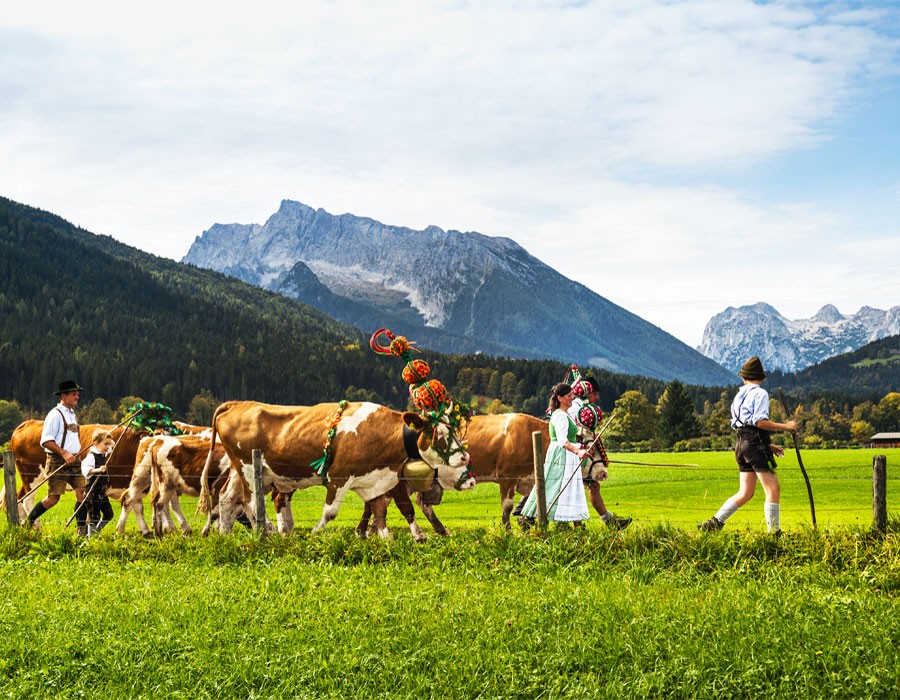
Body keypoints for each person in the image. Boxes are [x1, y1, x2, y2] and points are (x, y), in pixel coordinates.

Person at [698, 356, 797, 535]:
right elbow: (759, 422)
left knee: (745, 492)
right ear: (761, 378)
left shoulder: (738, 396)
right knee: (773, 487)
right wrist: (786, 427)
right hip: (754, 445)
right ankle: (774, 534)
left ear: (744, 377)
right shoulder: (760, 393)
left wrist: (768, 445)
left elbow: (745, 427)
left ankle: (714, 522)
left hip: (741, 445)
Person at [518, 383, 590, 527]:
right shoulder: (560, 416)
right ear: (560, 398)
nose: (572, 398)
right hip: (562, 455)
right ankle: (531, 516)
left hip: (567, 454)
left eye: (572, 395)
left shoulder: (564, 414)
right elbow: (562, 440)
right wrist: (577, 451)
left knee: (565, 488)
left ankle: (567, 523)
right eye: (569, 396)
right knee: (555, 486)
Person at [27, 380, 89, 534]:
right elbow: (46, 440)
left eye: (77, 393)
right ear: (63, 396)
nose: (77, 396)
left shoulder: (72, 415)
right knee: (53, 499)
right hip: (58, 461)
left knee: (82, 492)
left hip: (75, 461)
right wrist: (64, 453)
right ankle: (29, 522)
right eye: (74, 394)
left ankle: (81, 531)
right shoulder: (55, 415)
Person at [571, 376, 632, 530]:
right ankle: (581, 524)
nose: (596, 397)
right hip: (574, 455)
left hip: (581, 454)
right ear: (588, 391)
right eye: (595, 393)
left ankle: (605, 521)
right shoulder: (575, 408)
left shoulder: (581, 407)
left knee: (591, 485)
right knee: (577, 487)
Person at [80, 429, 115, 536]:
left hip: (101, 491)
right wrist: (98, 470)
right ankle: (91, 539)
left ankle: (94, 534)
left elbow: (113, 446)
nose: (108, 447)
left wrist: (109, 440)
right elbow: (85, 471)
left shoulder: (102, 453)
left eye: (108, 444)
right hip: (93, 492)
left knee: (109, 514)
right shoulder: (92, 456)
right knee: (94, 517)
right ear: (96, 444)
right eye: (106, 444)